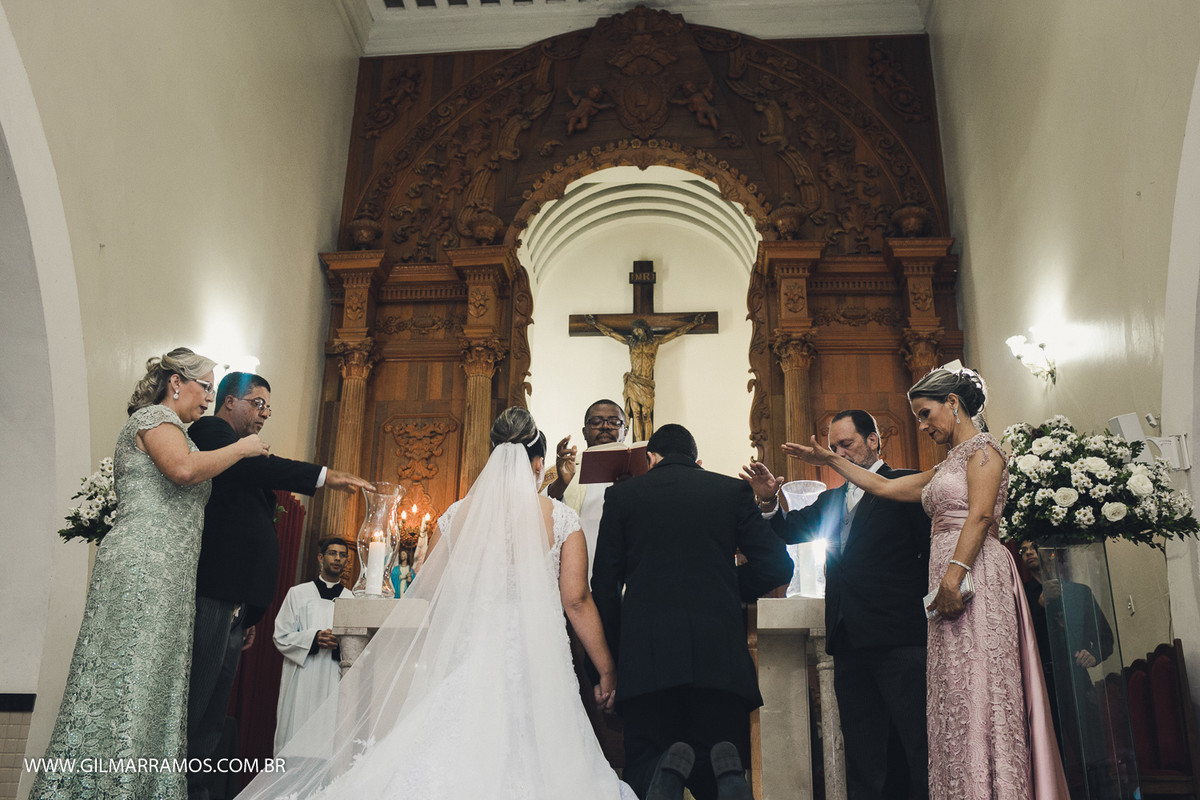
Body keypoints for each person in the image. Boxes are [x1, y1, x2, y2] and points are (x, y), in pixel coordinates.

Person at [234, 407, 636, 800]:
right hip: (540, 659)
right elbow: (577, 600)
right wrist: (607, 669)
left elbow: (426, 590)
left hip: (474, 651)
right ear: (537, 463)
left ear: (494, 457)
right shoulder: (561, 519)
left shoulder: (458, 516)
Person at [783, 368, 1069, 800]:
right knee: (953, 693)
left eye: (925, 414)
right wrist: (831, 461)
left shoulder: (984, 451)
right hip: (947, 582)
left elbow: (980, 516)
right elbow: (883, 486)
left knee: (981, 684)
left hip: (973, 573)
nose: (921, 425)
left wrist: (953, 577)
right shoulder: (948, 463)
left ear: (952, 403)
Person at [29, 348, 268, 800]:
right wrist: (241, 448)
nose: (209, 398)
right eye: (205, 387)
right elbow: (182, 470)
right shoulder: (154, 419)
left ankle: (138, 786)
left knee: (156, 682)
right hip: (143, 565)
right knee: (128, 672)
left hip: (172, 574)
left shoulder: (181, 431)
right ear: (176, 382)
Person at [186, 371, 372, 800]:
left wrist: (249, 614)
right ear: (229, 402)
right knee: (197, 706)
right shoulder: (211, 432)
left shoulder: (239, 453)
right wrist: (326, 476)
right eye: (257, 403)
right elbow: (255, 471)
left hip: (234, 604)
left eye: (268, 408)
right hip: (214, 596)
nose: (264, 414)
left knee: (214, 714)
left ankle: (195, 790)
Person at [592, 423, 795, 800]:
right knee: (718, 760)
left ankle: (659, 774)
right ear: (695, 459)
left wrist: (607, 666)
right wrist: (723, 586)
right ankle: (726, 780)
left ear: (650, 458)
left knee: (646, 763)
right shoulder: (731, 491)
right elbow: (777, 567)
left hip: (647, 663)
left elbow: (604, 586)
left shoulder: (623, 496)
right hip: (718, 662)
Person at [740, 409, 931, 800]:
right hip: (848, 640)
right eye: (833, 447)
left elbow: (929, 553)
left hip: (899, 637)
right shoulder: (831, 500)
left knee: (917, 743)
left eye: (847, 444)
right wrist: (769, 499)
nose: (839, 453)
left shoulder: (905, 485)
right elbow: (786, 530)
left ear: (873, 440)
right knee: (861, 750)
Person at [546, 398, 630, 763]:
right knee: (580, 676)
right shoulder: (567, 471)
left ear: (626, 429)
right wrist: (561, 482)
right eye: (597, 422)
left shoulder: (642, 470)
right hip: (578, 590)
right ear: (584, 431)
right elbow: (544, 517)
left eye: (614, 421)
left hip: (627, 590)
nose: (606, 427)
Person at [1018, 541, 1114, 768]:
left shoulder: (1079, 592)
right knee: (1052, 753)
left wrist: (1093, 654)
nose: (1029, 552)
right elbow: (1017, 639)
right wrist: (1039, 605)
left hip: (1077, 678)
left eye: (1034, 547)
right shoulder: (1021, 597)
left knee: (1092, 749)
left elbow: (1105, 637)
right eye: (1023, 550)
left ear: (1050, 552)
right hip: (1042, 683)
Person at [272, 537, 351, 756]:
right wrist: (314, 638)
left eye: (342, 555)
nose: (337, 558)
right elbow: (281, 636)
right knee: (296, 737)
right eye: (332, 553)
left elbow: (359, 645)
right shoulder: (298, 594)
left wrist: (339, 643)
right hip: (302, 677)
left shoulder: (352, 599)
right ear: (320, 557)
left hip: (334, 677)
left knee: (328, 741)